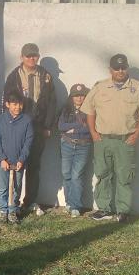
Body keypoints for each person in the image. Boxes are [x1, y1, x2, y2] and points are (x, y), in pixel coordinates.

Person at [81, 54, 139, 223]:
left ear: (127, 68)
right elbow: (90, 110)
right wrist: (93, 133)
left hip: (125, 141)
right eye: (116, 68)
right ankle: (104, 209)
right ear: (110, 69)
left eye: (123, 67)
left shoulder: (137, 88)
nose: (120, 71)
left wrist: (135, 136)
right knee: (103, 174)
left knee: (124, 176)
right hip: (103, 140)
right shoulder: (100, 87)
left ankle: (123, 210)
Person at [4, 43, 56, 216]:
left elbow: (52, 102)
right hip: (19, 128)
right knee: (18, 165)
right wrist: (10, 127)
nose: (31, 58)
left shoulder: (46, 76)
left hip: (38, 127)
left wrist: (48, 126)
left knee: (34, 166)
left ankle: (31, 201)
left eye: (34, 55)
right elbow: (7, 103)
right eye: (28, 56)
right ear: (22, 57)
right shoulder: (13, 77)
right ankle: (14, 202)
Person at [0, 90, 34, 224]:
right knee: (3, 187)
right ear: (7, 104)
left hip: (19, 162)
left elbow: (28, 142)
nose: (17, 107)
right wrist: (2, 159)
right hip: (3, 162)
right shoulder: (0, 120)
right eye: (14, 104)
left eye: (20, 104)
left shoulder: (27, 121)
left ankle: (13, 210)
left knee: (16, 187)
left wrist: (22, 159)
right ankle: (3, 210)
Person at [57, 83, 91, 217]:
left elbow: (89, 128)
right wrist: (77, 126)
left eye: (82, 95)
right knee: (66, 174)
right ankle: (69, 203)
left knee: (77, 175)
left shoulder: (90, 110)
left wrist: (73, 128)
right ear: (71, 97)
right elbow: (61, 126)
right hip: (67, 144)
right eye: (76, 96)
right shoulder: (66, 110)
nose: (79, 98)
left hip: (83, 145)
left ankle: (76, 206)